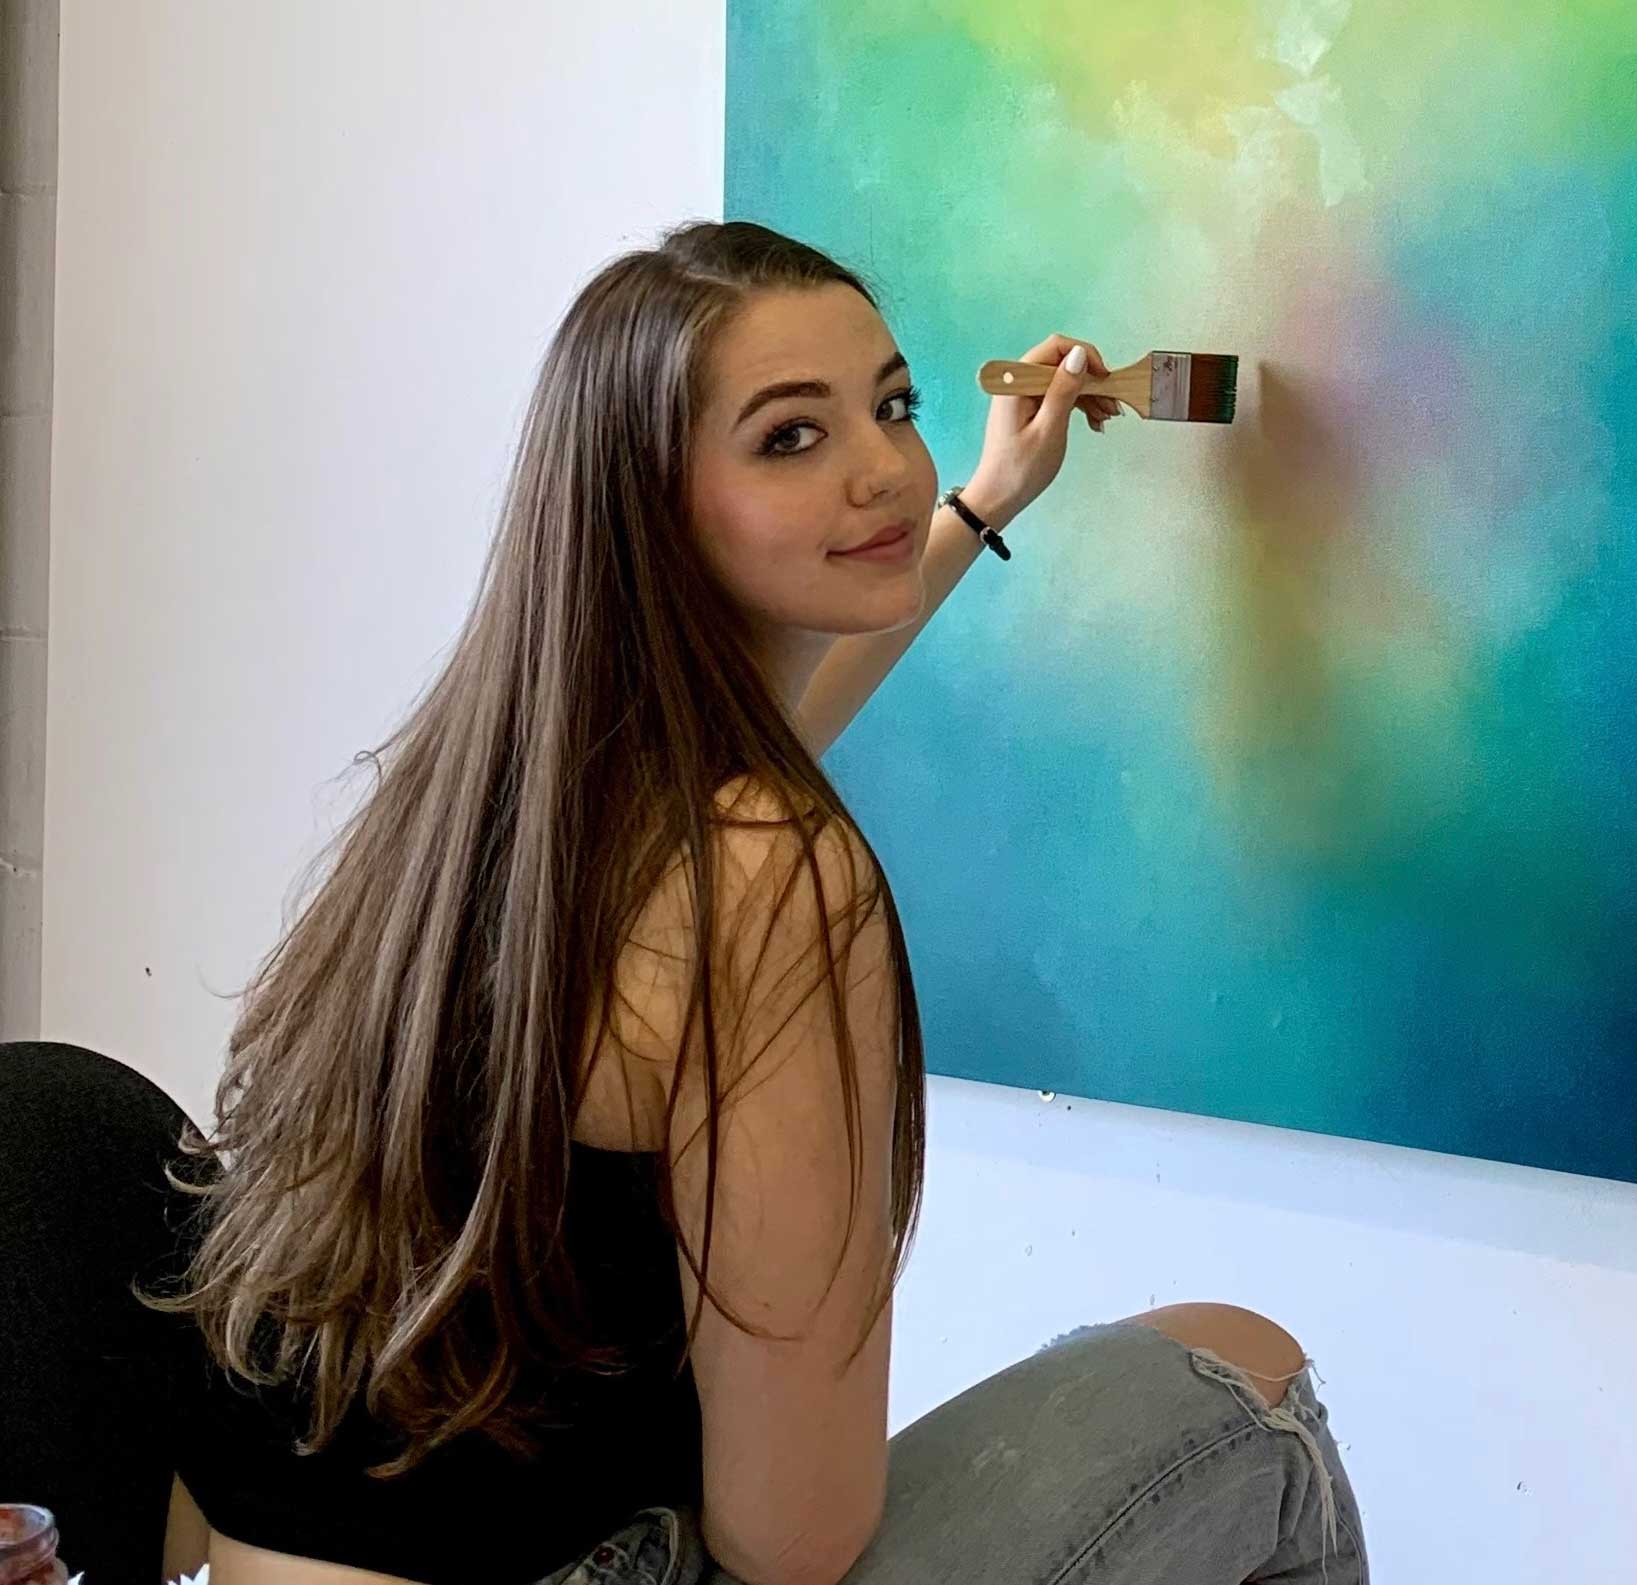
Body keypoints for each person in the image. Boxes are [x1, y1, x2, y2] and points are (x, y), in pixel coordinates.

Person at [2, 221, 1362, 1585]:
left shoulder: (485, 807)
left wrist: (980, 506)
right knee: (1244, 1381)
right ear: (651, 503)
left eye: (891, 407)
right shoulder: (771, 883)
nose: (882, 468)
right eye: (789, 438)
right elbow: (791, 1539)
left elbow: (767, 739)